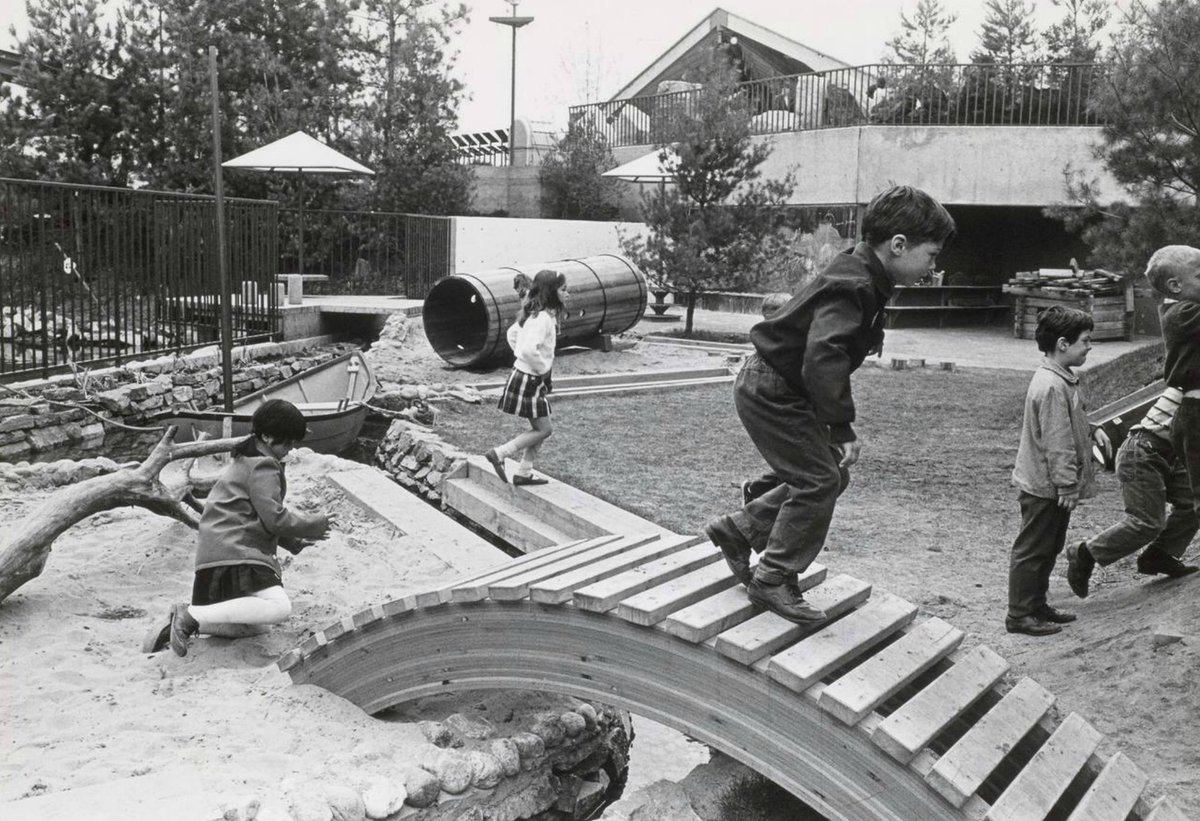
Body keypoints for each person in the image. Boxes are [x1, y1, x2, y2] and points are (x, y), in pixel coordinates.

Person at [702, 185, 955, 623]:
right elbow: (824, 355)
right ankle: (773, 578)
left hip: (780, 385)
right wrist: (840, 427)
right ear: (898, 246)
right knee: (819, 480)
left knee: (827, 476)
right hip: (773, 389)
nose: (934, 267)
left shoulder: (862, 274)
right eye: (931, 255)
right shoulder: (854, 284)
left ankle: (740, 530)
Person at [146, 399, 332, 656]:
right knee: (279, 608)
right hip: (234, 552)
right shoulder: (263, 465)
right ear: (267, 435)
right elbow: (274, 519)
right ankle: (189, 614)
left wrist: (292, 542)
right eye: (286, 443)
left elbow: (253, 514)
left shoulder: (248, 458)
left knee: (258, 627)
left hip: (217, 551)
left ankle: (176, 627)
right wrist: (314, 524)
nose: (288, 450)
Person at [1006, 306, 1095, 636]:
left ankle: (1036, 604)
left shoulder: (1060, 379)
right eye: (1085, 341)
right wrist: (1067, 484)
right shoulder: (1052, 386)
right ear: (1062, 343)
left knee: (1049, 547)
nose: (1089, 346)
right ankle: (1019, 614)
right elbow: (1057, 442)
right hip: (1045, 487)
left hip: (1050, 486)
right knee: (1033, 550)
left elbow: (1072, 427)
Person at [1066, 385, 1200, 599]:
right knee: (1146, 523)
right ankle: (1085, 552)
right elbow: (1185, 432)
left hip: (1169, 454)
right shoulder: (1193, 382)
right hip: (1142, 453)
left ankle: (1160, 554)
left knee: (1193, 502)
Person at [484, 269, 569, 486]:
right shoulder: (542, 319)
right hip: (530, 379)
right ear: (552, 292)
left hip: (526, 376)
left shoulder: (538, 315)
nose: (568, 294)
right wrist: (541, 369)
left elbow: (514, 335)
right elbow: (530, 350)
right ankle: (500, 453)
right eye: (563, 290)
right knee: (544, 429)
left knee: (541, 430)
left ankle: (524, 472)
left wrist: (521, 360)